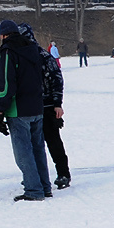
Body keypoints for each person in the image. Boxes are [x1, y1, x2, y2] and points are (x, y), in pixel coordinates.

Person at [0, 19, 51, 202]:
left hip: (18, 109)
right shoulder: (33, 49)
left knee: (23, 152)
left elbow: (6, 83)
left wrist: (0, 111)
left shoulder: (7, 51)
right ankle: (44, 186)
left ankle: (34, 190)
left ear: (3, 35)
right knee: (38, 148)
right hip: (37, 106)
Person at [40, 35, 71, 189]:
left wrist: (57, 104)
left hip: (47, 107)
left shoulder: (44, 57)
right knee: (34, 145)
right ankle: (36, 175)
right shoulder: (20, 56)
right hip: (29, 108)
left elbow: (57, 79)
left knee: (54, 142)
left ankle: (63, 173)